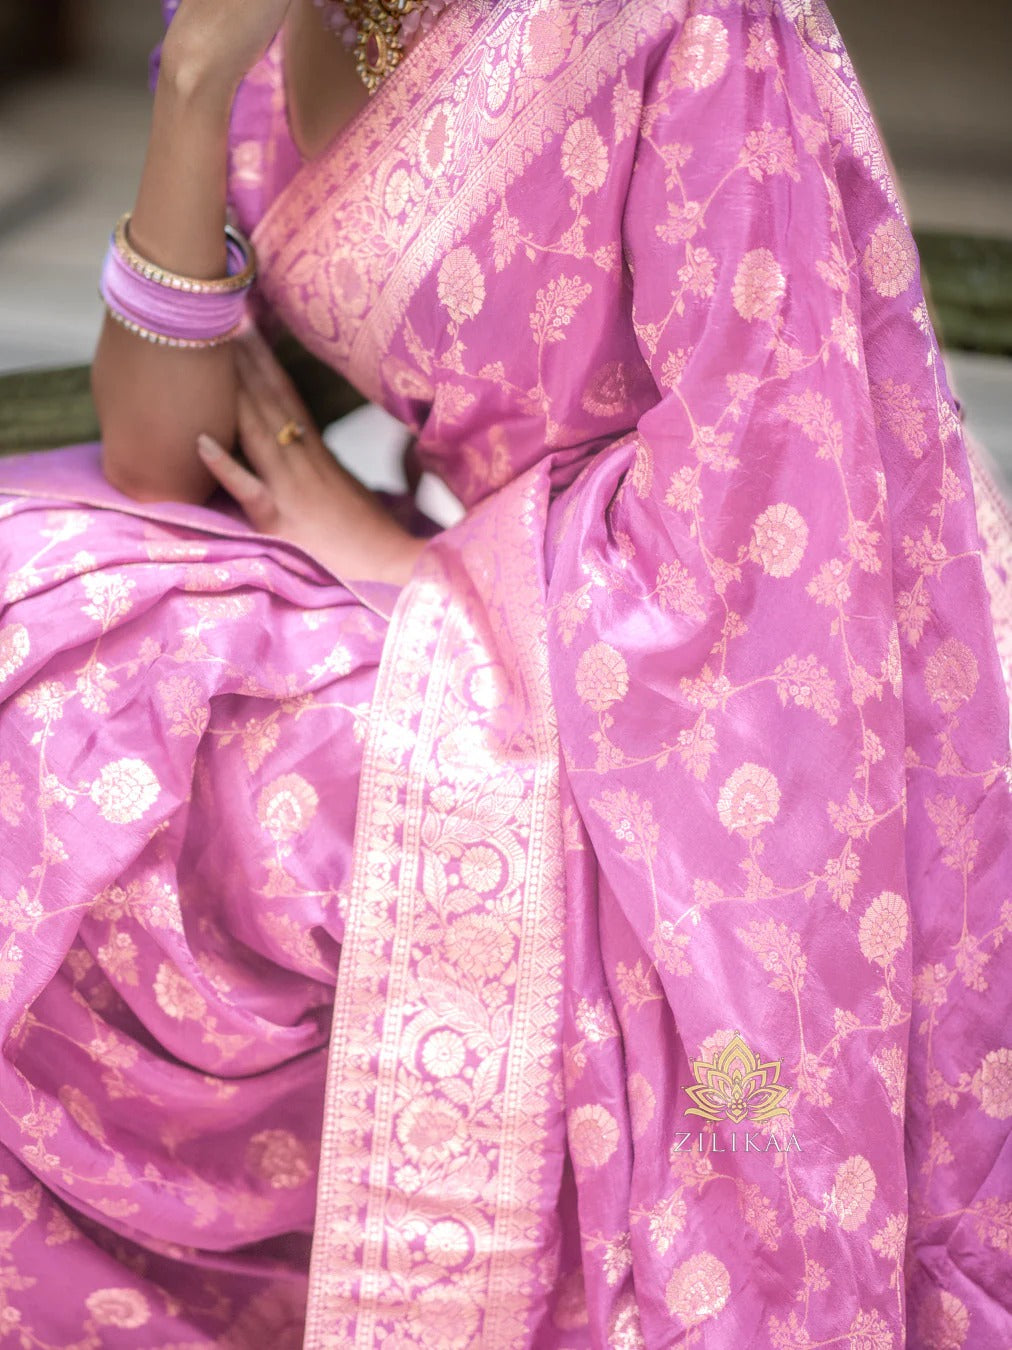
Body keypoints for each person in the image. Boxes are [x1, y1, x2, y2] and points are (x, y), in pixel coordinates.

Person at [0, 0, 1009, 1344]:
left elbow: (773, 519)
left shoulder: (692, 24)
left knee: (162, 764)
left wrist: (398, 562)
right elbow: (155, 454)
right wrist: (192, 87)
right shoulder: (274, 23)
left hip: (713, 716)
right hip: (485, 612)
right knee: (43, 618)